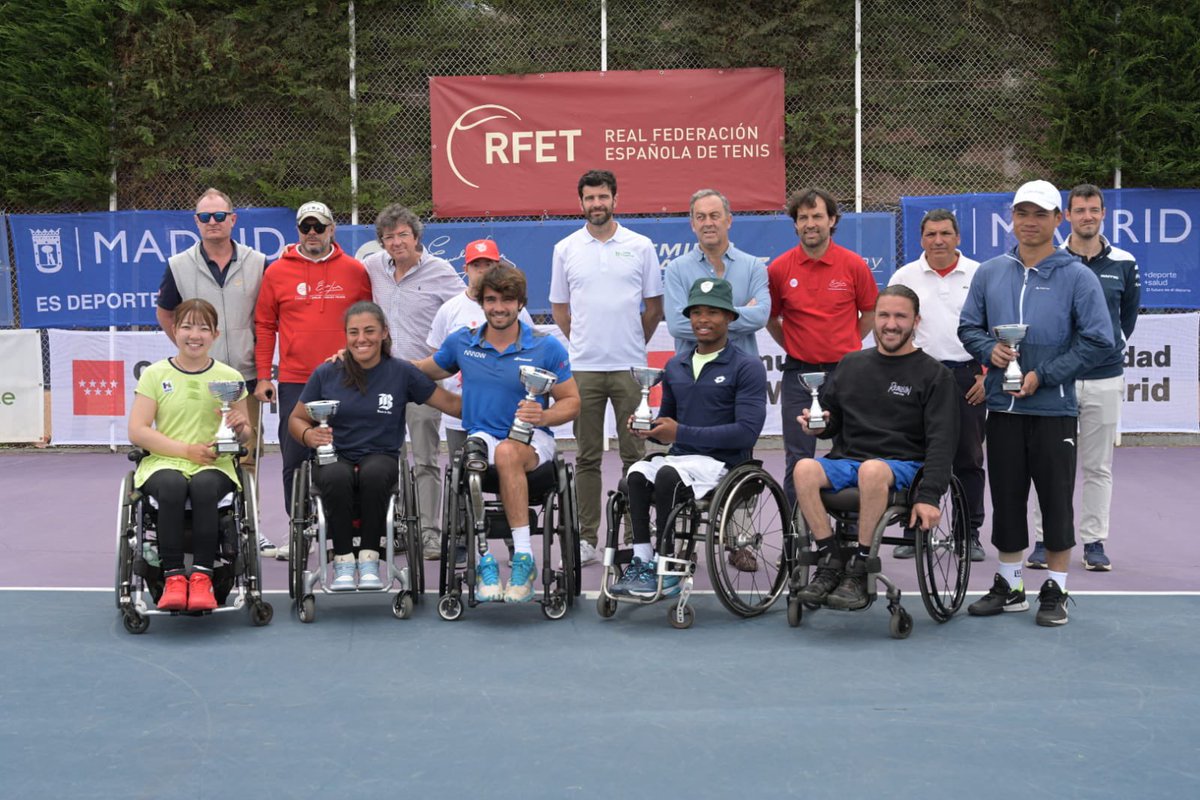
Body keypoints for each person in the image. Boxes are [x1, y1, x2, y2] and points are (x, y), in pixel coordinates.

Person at [958, 179, 1112, 626]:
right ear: (1012, 217)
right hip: (1003, 410)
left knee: (1056, 501)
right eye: (1022, 213)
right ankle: (1010, 585)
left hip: (1053, 410)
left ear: (1057, 219)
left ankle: (1056, 589)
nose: (1030, 222)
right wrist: (990, 350)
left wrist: (1044, 375)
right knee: (1006, 499)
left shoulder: (1077, 276)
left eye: (1040, 214)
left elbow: (1098, 340)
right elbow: (968, 327)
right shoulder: (990, 272)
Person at [415, 265, 580, 603]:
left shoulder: (546, 347)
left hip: (533, 441)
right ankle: (484, 561)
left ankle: (523, 559)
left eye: (507, 300)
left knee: (507, 451)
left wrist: (544, 415)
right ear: (482, 303)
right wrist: (368, 358)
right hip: (482, 439)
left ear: (520, 303)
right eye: (491, 300)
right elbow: (421, 370)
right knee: (473, 452)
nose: (499, 307)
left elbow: (572, 402)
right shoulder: (462, 342)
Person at [792, 286, 958, 610]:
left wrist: (929, 496)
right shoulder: (850, 364)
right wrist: (820, 425)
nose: (891, 324)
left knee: (872, 470)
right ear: (874, 319)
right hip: (850, 461)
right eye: (884, 315)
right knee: (804, 468)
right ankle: (830, 558)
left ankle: (860, 565)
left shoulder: (936, 375)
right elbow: (833, 421)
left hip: (904, 466)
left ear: (916, 321)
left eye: (900, 316)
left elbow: (942, 442)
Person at [610, 278, 767, 596]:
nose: (703, 320)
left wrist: (680, 432)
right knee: (636, 473)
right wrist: (649, 428)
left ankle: (667, 565)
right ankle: (642, 560)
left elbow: (747, 432)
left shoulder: (747, 366)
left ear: (729, 317)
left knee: (668, 473)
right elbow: (668, 425)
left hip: (724, 465)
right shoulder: (675, 365)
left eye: (712, 312)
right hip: (681, 460)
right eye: (696, 312)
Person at [288, 302, 461, 590]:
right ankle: (343, 560)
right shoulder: (327, 372)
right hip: (335, 455)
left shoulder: (402, 372)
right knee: (336, 475)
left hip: (380, 455)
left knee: (375, 472)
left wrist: (500, 404)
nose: (361, 339)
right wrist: (309, 436)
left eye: (369, 331)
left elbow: (452, 404)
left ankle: (369, 558)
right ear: (346, 335)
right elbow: (296, 419)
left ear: (384, 333)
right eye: (353, 332)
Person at [155, 188, 276, 557]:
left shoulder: (259, 262)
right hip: (196, 378)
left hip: (245, 377)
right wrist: (191, 351)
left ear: (232, 220)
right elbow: (165, 312)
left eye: (219, 216)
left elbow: (268, 317)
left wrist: (261, 369)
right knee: (198, 453)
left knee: (246, 454)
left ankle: (250, 528)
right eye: (205, 217)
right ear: (196, 221)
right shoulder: (178, 264)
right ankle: (199, 527)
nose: (213, 222)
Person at [550, 169, 663, 565]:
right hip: (583, 369)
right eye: (590, 198)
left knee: (635, 455)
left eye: (603, 197)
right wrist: (583, 342)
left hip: (631, 370)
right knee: (586, 457)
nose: (596, 204)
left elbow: (654, 308)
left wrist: (631, 343)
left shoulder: (641, 246)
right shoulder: (565, 248)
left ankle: (636, 537)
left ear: (615, 199)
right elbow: (560, 309)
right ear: (580, 202)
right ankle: (586, 539)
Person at [1028, 184, 1140, 572]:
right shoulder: (1053, 260)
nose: (1087, 216)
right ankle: (1044, 540)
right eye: (1079, 210)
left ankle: (1094, 541)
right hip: (1058, 380)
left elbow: (1126, 321)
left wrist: (1101, 353)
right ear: (1068, 216)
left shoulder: (1124, 262)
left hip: (1105, 378)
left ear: (1103, 214)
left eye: (1093, 209)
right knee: (1049, 464)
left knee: (1098, 466)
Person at [254, 201, 372, 555]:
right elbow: (265, 325)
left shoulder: (355, 270)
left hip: (347, 377)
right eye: (305, 227)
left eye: (319, 227)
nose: (312, 233)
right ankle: (299, 531)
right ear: (298, 231)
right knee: (295, 457)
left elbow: (369, 322)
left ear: (331, 229)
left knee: (349, 455)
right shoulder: (277, 271)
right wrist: (263, 376)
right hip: (295, 380)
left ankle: (349, 531)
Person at [128, 299, 252, 612]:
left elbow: (245, 435)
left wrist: (240, 427)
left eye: (203, 328)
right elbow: (138, 431)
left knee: (204, 486)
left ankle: (201, 578)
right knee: (171, 486)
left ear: (215, 334)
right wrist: (185, 451)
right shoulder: (154, 374)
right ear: (174, 330)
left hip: (215, 464)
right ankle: (172, 578)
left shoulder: (230, 377)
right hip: (164, 462)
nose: (194, 335)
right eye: (187, 326)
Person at [361, 204, 464, 560]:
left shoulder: (441, 271)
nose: (396, 242)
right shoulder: (373, 267)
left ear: (416, 237)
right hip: (382, 379)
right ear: (381, 242)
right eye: (388, 237)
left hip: (423, 380)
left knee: (425, 459)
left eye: (403, 234)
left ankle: (429, 533)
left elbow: (464, 313)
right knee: (384, 459)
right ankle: (398, 529)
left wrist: (449, 360)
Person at [766, 187, 879, 506]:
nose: (810, 223)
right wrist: (795, 344)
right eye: (803, 217)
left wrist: (848, 344)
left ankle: (850, 530)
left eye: (817, 216)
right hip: (798, 377)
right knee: (798, 458)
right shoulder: (779, 268)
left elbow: (870, 312)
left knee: (851, 454)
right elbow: (770, 317)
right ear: (795, 224)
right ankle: (795, 534)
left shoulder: (853, 265)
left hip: (846, 375)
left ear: (832, 220)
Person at [888, 208, 987, 562]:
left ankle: (968, 534)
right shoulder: (905, 276)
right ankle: (913, 531)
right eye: (931, 234)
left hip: (968, 376)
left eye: (945, 233)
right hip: (918, 376)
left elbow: (994, 326)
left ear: (957, 237)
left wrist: (986, 374)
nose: (938, 240)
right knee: (911, 455)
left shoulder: (979, 273)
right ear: (921, 239)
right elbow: (893, 327)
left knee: (968, 458)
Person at [427, 238, 534, 458]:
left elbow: (531, 351)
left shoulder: (515, 310)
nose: (483, 271)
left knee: (506, 466)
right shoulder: (449, 309)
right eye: (476, 265)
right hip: (460, 411)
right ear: (465, 269)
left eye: (489, 265)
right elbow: (437, 356)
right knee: (461, 471)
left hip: (506, 411)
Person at [662, 189, 770, 356]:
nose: (708, 223)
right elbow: (676, 325)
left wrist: (701, 322)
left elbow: (761, 316)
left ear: (728, 220)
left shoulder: (753, 266)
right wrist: (737, 314)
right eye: (701, 217)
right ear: (693, 224)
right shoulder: (676, 269)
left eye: (714, 216)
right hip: (693, 369)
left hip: (742, 369)